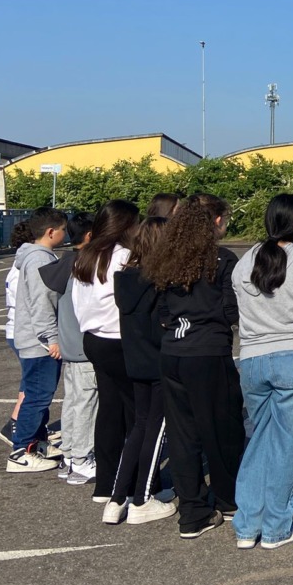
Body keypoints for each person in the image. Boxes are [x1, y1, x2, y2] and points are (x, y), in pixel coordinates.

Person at [231, 194, 293, 550]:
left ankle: (247, 526)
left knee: (259, 439)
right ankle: (276, 526)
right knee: (290, 443)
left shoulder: (243, 264)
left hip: (253, 359)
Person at [149, 192, 245, 539]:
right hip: (207, 352)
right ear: (216, 222)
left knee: (182, 435)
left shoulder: (167, 257)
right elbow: (231, 310)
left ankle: (192, 510)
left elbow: (161, 309)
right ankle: (228, 498)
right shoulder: (220, 260)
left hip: (173, 350)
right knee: (222, 429)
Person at [74, 200, 165, 523]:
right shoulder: (124, 257)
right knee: (139, 416)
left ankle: (106, 482)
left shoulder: (86, 255)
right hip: (120, 340)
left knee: (109, 410)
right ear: (128, 226)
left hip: (92, 339)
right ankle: (137, 486)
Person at [112, 216, 175, 521]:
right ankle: (142, 498)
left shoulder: (125, 278)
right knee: (157, 428)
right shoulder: (160, 281)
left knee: (139, 426)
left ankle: (118, 496)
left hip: (134, 360)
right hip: (159, 361)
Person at [7, 207, 69, 472]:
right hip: (38, 341)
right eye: (63, 230)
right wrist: (51, 338)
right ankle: (20, 451)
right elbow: (42, 302)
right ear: (51, 232)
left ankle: (37, 443)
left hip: (34, 338)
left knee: (39, 394)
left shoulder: (34, 256)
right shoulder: (39, 260)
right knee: (37, 396)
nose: (66, 234)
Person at [39, 213, 98, 485]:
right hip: (85, 348)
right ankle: (82, 459)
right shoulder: (85, 266)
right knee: (86, 404)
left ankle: (70, 456)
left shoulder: (63, 266)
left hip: (69, 347)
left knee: (73, 403)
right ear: (89, 236)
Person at [0, 221, 37, 449]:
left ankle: (17, 423)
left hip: (16, 329)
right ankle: (15, 424)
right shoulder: (25, 266)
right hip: (23, 330)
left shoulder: (18, 264)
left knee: (29, 381)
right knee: (32, 383)